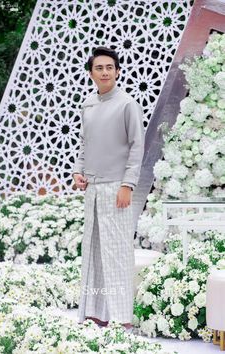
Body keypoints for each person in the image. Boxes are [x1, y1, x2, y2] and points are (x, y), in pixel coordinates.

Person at [72, 46, 144, 329]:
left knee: (117, 255)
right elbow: (84, 145)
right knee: (94, 255)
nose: (104, 72)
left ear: (117, 71)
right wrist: (79, 173)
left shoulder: (127, 104)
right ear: (91, 73)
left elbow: (137, 147)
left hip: (117, 190)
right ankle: (96, 314)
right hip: (92, 190)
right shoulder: (88, 104)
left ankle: (122, 320)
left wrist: (128, 184)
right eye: (99, 68)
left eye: (109, 67)